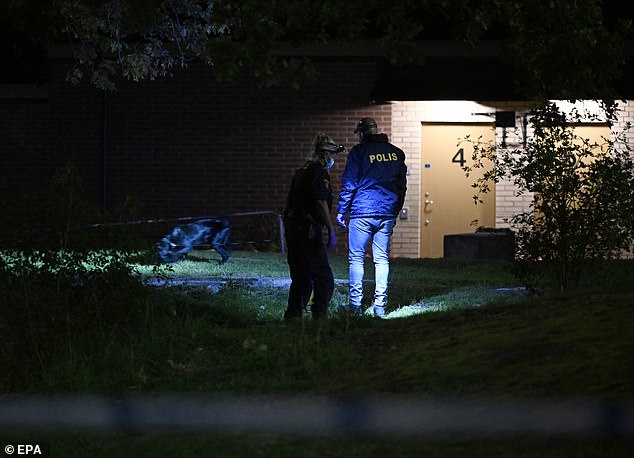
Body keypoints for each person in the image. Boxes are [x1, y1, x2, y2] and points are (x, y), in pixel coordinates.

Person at [336, 117, 407, 318]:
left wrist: (342, 210)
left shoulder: (359, 152)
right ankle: (380, 307)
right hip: (386, 212)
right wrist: (395, 209)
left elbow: (350, 182)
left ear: (361, 133)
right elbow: (402, 186)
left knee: (356, 258)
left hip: (362, 211)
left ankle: (355, 306)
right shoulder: (396, 153)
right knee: (381, 259)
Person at [283, 133, 344, 321]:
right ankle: (320, 320)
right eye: (332, 155)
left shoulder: (303, 170)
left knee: (301, 277)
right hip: (308, 229)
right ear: (325, 155)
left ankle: (293, 318)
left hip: (294, 227)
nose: (333, 160)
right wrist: (331, 229)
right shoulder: (318, 171)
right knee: (324, 279)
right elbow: (320, 200)